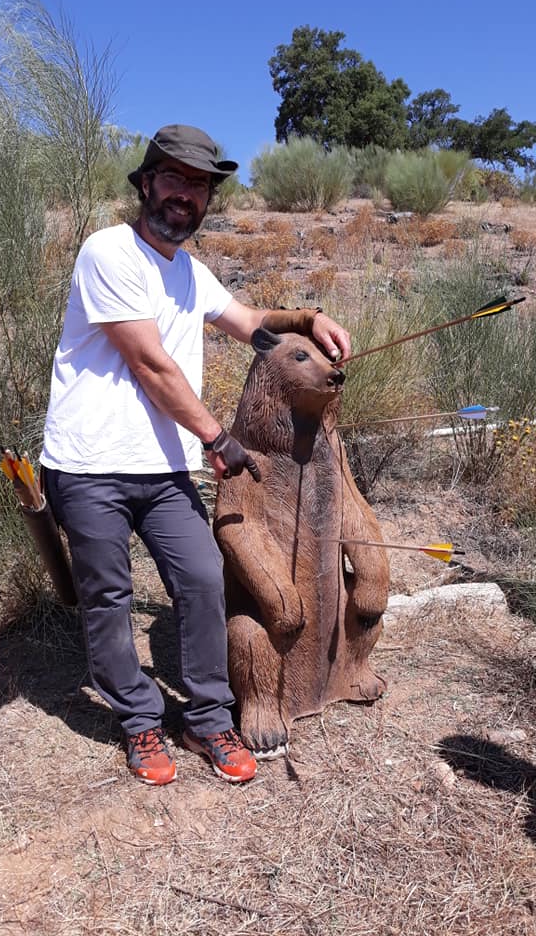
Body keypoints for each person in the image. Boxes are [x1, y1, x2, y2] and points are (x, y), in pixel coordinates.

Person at [40, 124, 351, 786]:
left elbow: (246, 324)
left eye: (200, 185)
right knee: (109, 595)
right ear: (147, 183)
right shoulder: (110, 253)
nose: (186, 195)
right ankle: (139, 719)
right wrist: (218, 437)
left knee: (204, 579)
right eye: (175, 179)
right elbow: (151, 365)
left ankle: (209, 717)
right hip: (90, 464)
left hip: (162, 467)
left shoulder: (192, 272)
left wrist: (306, 319)